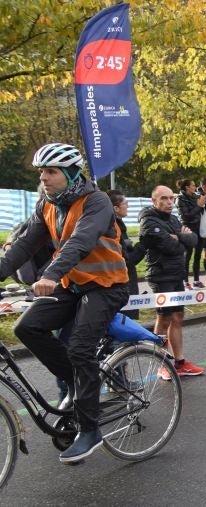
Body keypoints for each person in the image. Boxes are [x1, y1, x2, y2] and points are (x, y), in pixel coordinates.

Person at [0, 143, 131, 463]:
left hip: (106, 286)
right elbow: (22, 247)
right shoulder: (46, 204)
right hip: (72, 285)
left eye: (51, 171)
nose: (43, 178)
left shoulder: (96, 201)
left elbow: (80, 242)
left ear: (72, 173)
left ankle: (90, 429)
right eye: (41, 172)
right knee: (27, 327)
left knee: (80, 348)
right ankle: (77, 385)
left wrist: (51, 274)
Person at [140, 185, 205, 379]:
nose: (169, 202)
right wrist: (181, 238)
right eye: (164, 199)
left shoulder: (174, 219)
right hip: (161, 276)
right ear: (154, 201)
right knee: (164, 318)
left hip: (177, 274)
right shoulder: (149, 221)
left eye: (171, 198)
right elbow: (169, 247)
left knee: (178, 317)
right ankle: (160, 364)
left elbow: (193, 240)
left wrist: (180, 237)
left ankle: (180, 363)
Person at [107, 190, 146, 321]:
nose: (128, 206)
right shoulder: (113, 228)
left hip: (124, 283)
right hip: (121, 285)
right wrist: (143, 245)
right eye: (125, 203)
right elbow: (126, 261)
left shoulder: (118, 225)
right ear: (115, 208)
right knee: (123, 324)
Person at [175, 179, 206, 289]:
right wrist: (198, 205)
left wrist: (202, 202)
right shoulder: (180, 199)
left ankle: (196, 280)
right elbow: (186, 216)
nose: (195, 187)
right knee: (187, 255)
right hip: (188, 229)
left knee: (198, 255)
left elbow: (201, 208)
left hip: (199, 228)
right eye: (193, 185)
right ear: (187, 187)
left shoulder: (195, 196)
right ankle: (185, 282)